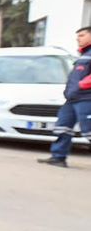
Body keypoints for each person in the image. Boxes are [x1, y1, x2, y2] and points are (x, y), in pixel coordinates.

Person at [37, 26, 91, 167]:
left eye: (82, 35)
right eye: (77, 35)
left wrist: (81, 85)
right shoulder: (84, 55)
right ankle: (58, 157)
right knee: (62, 127)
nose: (77, 38)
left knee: (89, 130)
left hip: (87, 98)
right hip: (73, 99)